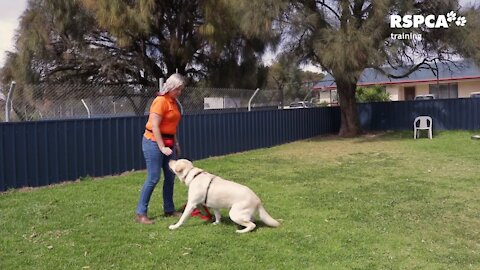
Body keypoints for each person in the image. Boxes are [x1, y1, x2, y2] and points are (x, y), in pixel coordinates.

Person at [135, 73, 186, 224]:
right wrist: (162, 147)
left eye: (181, 90)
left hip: (169, 142)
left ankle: (169, 209)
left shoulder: (173, 102)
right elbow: (155, 126)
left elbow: (172, 125)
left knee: (170, 176)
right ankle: (141, 213)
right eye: (177, 89)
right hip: (153, 142)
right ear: (170, 87)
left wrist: (176, 143)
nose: (179, 92)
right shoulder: (160, 101)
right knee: (154, 177)